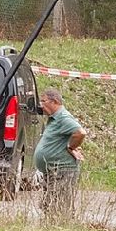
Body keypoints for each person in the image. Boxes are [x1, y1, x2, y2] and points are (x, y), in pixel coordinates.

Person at [34, 89, 86, 219]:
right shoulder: (53, 119)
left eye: (43, 101)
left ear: (55, 101)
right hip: (52, 170)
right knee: (49, 205)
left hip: (62, 171)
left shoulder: (63, 117)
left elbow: (80, 133)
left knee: (59, 206)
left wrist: (71, 146)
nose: (41, 105)